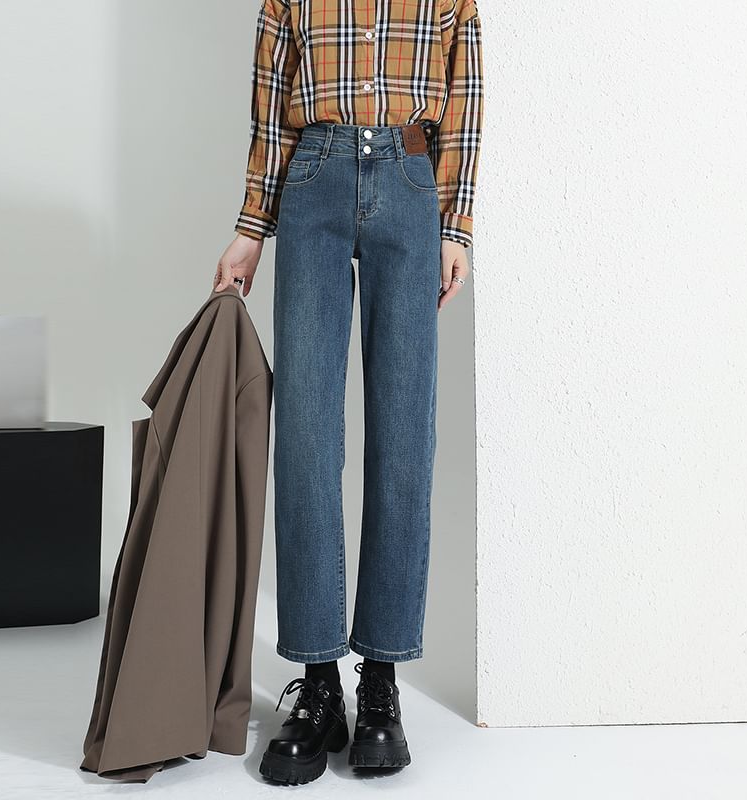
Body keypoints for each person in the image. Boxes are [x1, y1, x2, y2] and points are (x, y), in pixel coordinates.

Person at [214, 0, 483, 785]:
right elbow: (271, 103)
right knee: (306, 439)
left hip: (409, 181)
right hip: (314, 180)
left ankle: (382, 683)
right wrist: (251, 226)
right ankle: (319, 683)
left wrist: (456, 226)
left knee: (404, 441)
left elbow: (464, 102)